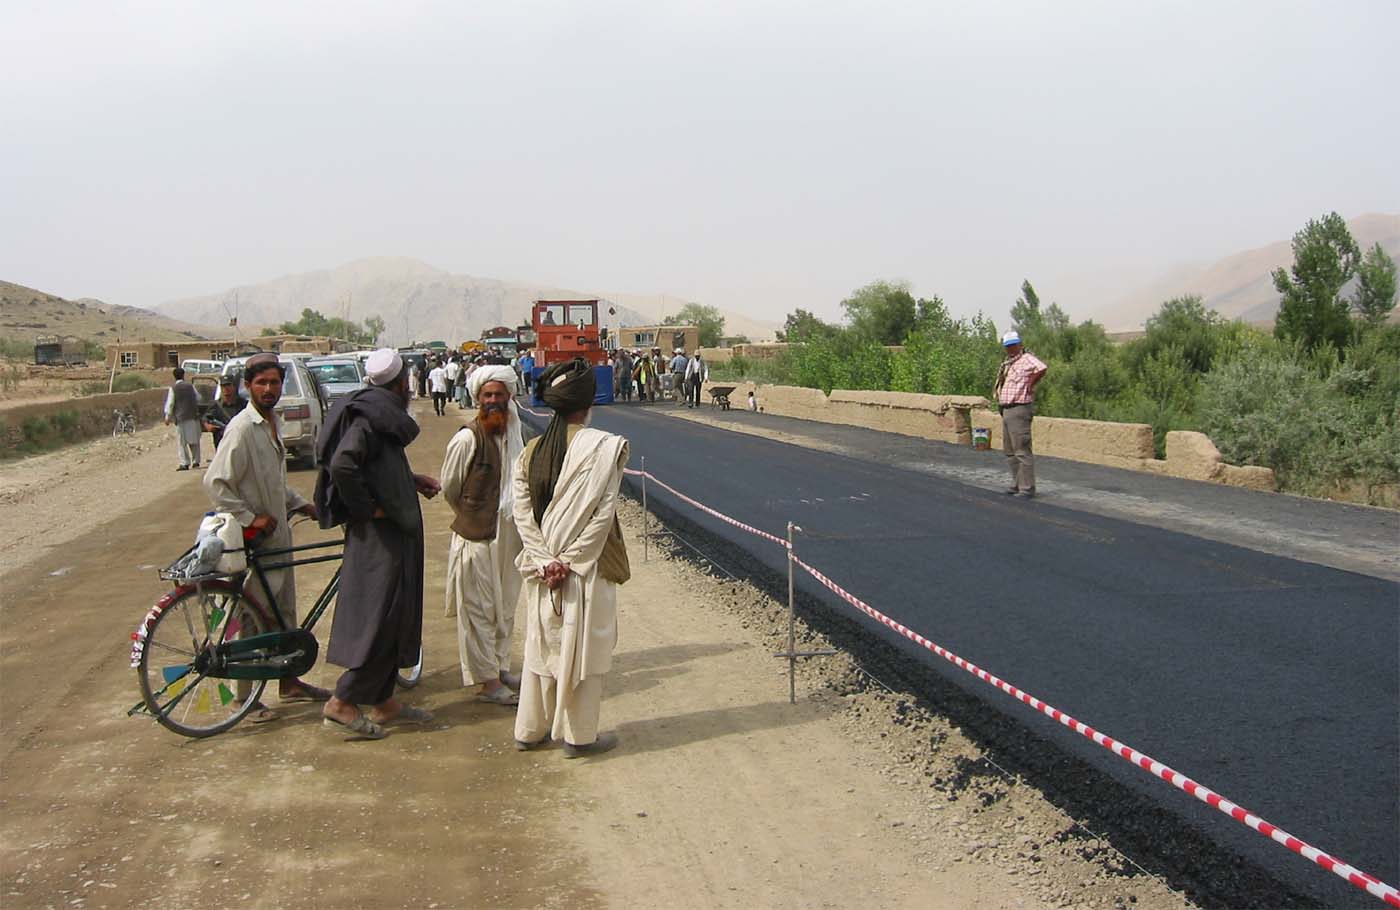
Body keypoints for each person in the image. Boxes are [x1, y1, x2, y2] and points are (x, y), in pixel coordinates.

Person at [315, 349, 441, 739]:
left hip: (394, 535)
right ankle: (343, 701)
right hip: (379, 540)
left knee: (398, 612)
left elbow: (376, 464)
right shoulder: (369, 417)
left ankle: (384, 701)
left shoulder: (379, 412)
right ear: (403, 383)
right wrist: (369, 510)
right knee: (382, 618)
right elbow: (343, 465)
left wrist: (409, 480)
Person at [512, 358, 630, 757]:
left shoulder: (530, 452)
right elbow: (603, 514)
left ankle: (530, 731)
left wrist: (546, 560)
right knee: (586, 650)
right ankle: (579, 738)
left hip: (544, 572)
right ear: (587, 403)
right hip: (585, 570)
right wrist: (571, 560)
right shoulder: (604, 448)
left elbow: (522, 514)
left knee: (541, 646)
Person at [204, 353, 328, 719]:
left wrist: (305, 506)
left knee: (284, 611)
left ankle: (288, 682)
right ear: (248, 387)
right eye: (262, 383)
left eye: (275, 382)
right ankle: (244, 698)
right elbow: (216, 483)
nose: (270, 389)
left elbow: (275, 483)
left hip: (279, 539)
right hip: (254, 542)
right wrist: (250, 518)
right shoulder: (243, 429)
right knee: (254, 618)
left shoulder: (272, 424)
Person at [441, 365, 526, 706]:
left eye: (499, 395)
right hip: (477, 537)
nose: (493, 401)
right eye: (487, 395)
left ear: (510, 397)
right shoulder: (467, 438)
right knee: (477, 608)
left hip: (508, 534)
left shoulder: (513, 435)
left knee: (504, 604)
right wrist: (475, 512)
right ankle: (487, 682)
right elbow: (451, 488)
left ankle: (500, 666)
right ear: (478, 398)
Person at [993, 330, 1048, 499]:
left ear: (1019, 344)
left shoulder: (1026, 359)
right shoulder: (1009, 363)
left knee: (1022, 449)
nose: (1010, 349)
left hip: (1019, 408)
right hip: (1007, 408)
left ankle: (1027, 487)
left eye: (1013, 345)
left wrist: (1031, 384)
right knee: (1010, 451)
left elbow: (1042, 368)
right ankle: (1016, 483)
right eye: (1008, 346)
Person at [164, 367, 202, 470]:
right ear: (183, 375)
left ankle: (184, 463)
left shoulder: (173, 388)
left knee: (182, 442)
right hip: (193, 417)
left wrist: (167, 417)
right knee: (194, 440)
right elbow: (198, 398)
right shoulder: (191, 387)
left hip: (180, 418)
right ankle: (196, 462)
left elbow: (170, 403)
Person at [203, 375, 247, 449]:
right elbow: (205, 418)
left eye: (228, 385)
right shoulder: (216, 405)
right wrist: (208, 426)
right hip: (222, 443)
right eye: (223, 386)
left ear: (234, 387)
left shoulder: (243, 404)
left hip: (240, 443)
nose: (226, 388)